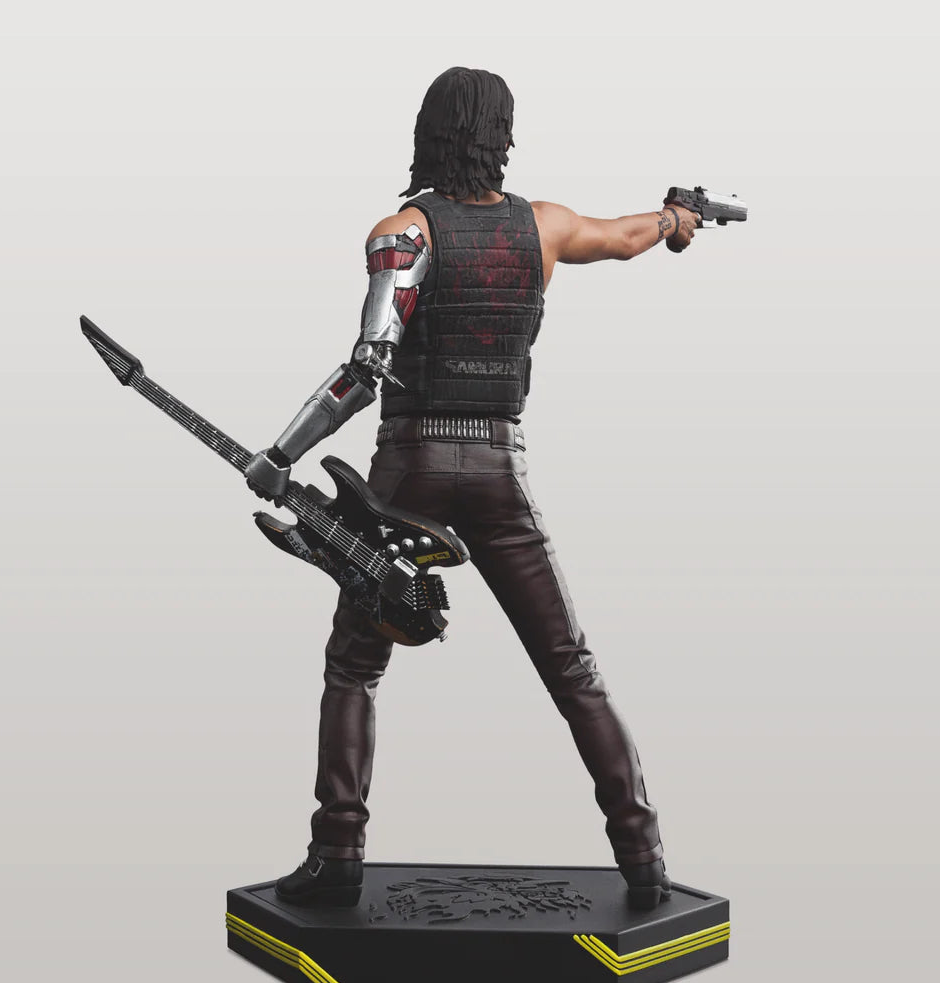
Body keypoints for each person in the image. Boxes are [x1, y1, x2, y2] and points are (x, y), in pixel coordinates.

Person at [244, 66, 700, 910]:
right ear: (502, 136)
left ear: (429, 131)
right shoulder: (545, 227)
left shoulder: (403, 231)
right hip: (497, 469)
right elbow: (627, 235)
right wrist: (676, 220)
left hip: (407, 473)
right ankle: (644, 862)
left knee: (355, 665)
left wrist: (282, 453)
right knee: (572, 670)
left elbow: (364, 370)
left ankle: (337, 853)